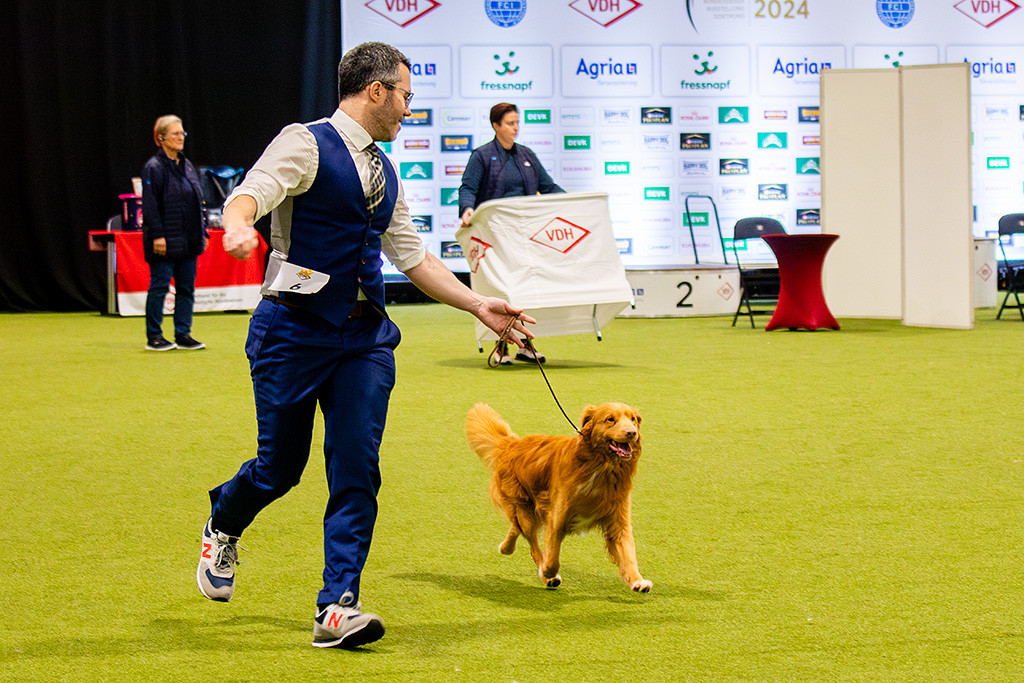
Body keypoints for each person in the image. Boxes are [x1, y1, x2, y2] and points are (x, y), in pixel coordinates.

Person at [195, 42, 535, 650]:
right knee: (280, 469)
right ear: (376, 91)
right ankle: (224, 520)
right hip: (292, 333)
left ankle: (336, 607)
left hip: (364, 340)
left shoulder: (387, 171)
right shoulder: (304, 142)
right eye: (405, 95)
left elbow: (414, 257)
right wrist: (240, 222)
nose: (409, 108)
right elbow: (255, 189)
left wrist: (478, 303)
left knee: (356, 466)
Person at [458, 102, 565, 365]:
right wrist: (467, 210)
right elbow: (467, 188)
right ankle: (502, 347)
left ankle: (524, 346)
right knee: (502, 288)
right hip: (493, 237)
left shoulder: (526, 155)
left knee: (524, 286)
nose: (515, 128)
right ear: (496, 126)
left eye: (517, 123)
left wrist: (573, 202)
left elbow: (548, 186)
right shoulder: (482, 156)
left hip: (524, 235)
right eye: (509, 123)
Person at [140, 115, 208, 351]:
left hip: (189, 239)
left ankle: (183, 333)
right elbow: (149, 206)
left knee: (186, 288)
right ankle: (154, 336)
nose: (181, 138)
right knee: (159, 286)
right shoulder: (154, 168)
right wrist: (158, 235)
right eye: (175, 134)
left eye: (182, 133)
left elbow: (199, 200)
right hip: (164, 241)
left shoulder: (187, 166)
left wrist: (204, 232)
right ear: (161, 138)